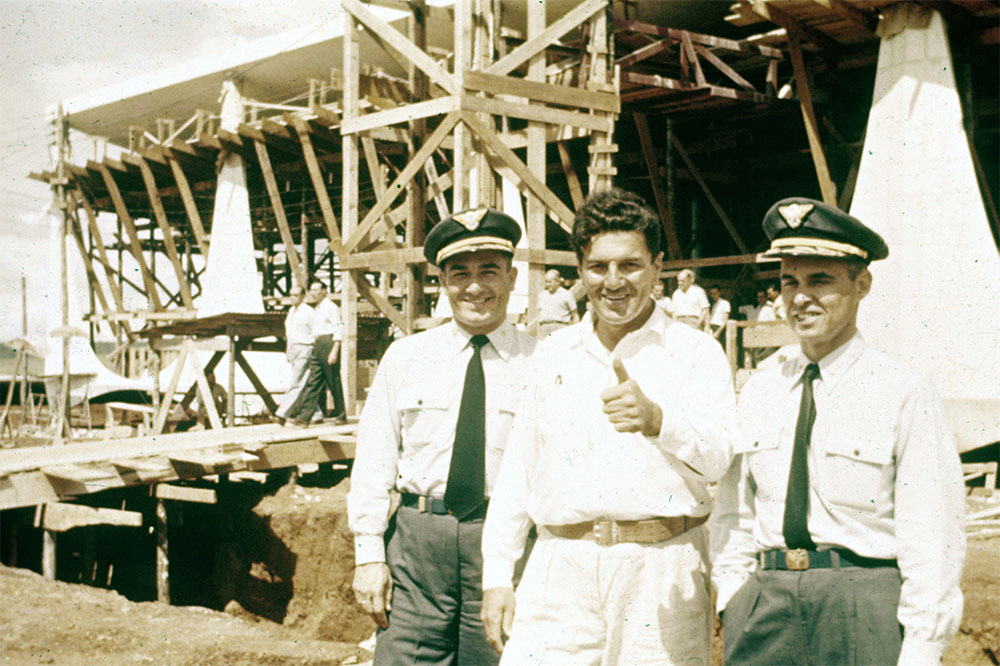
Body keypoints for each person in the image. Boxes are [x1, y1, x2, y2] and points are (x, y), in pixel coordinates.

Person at [481, 188, 736, 664]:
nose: (613, 282)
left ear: (658, 266)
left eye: (630, 265)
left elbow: (721, 456)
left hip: (659, 568)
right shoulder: (553, 355)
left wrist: (660, 422)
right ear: (580, 271)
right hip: (559, 569)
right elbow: (520, 470)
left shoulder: (696, 353)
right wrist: (498, 573)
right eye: (598, 267)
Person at [710, 197, 965, 666]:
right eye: (789, 282)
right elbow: (733, 512)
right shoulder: (759, 388)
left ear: (862, 284)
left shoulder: (902, 392)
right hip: (765, 603)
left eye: (820, 280)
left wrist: (923, 649)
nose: (800, 297)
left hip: (863, 604)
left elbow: (932, 535)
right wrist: (734, 596)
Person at [347, 207, 536, 665]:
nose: (474, 287)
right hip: (416, 551)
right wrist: (369, 555)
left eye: (489, 271)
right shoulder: (406, 357)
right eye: (459, 273)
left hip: (505, 548)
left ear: (511, 277)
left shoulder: (544, 361)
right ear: (442, 283)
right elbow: (373, 461)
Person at [285, 281, 345, 425]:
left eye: (318, 290)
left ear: (325, 291)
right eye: (312, 290)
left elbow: (338, 327)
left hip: (328, 343)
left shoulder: (331, 307)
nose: (315, 293)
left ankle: (341, 415)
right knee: (313, 381)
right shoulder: (317, 308)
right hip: (317, 343)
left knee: (333, 381)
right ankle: (303, 417)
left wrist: (334, 350)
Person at [273, 285, 313, 424]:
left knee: (296, 382)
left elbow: (316, 331)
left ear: (303, 296)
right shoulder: (291, 312)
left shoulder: (308, 312)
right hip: (294, 348)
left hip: (305, 347)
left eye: (296, 295)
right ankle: (316, 414)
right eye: (291, 294)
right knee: (303, 381)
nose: (292, 298)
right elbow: (289, 334)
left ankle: (282, 414)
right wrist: (288, 350)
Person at [537, 269, 579, 336]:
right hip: (544, 328)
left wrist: (577, 333)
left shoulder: (567, 294)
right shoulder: (542, 295)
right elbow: (539, 315)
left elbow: (575, 315)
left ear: (558, 281)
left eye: (550, 282)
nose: (547, 284)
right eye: (546, 282)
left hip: (560, 327)